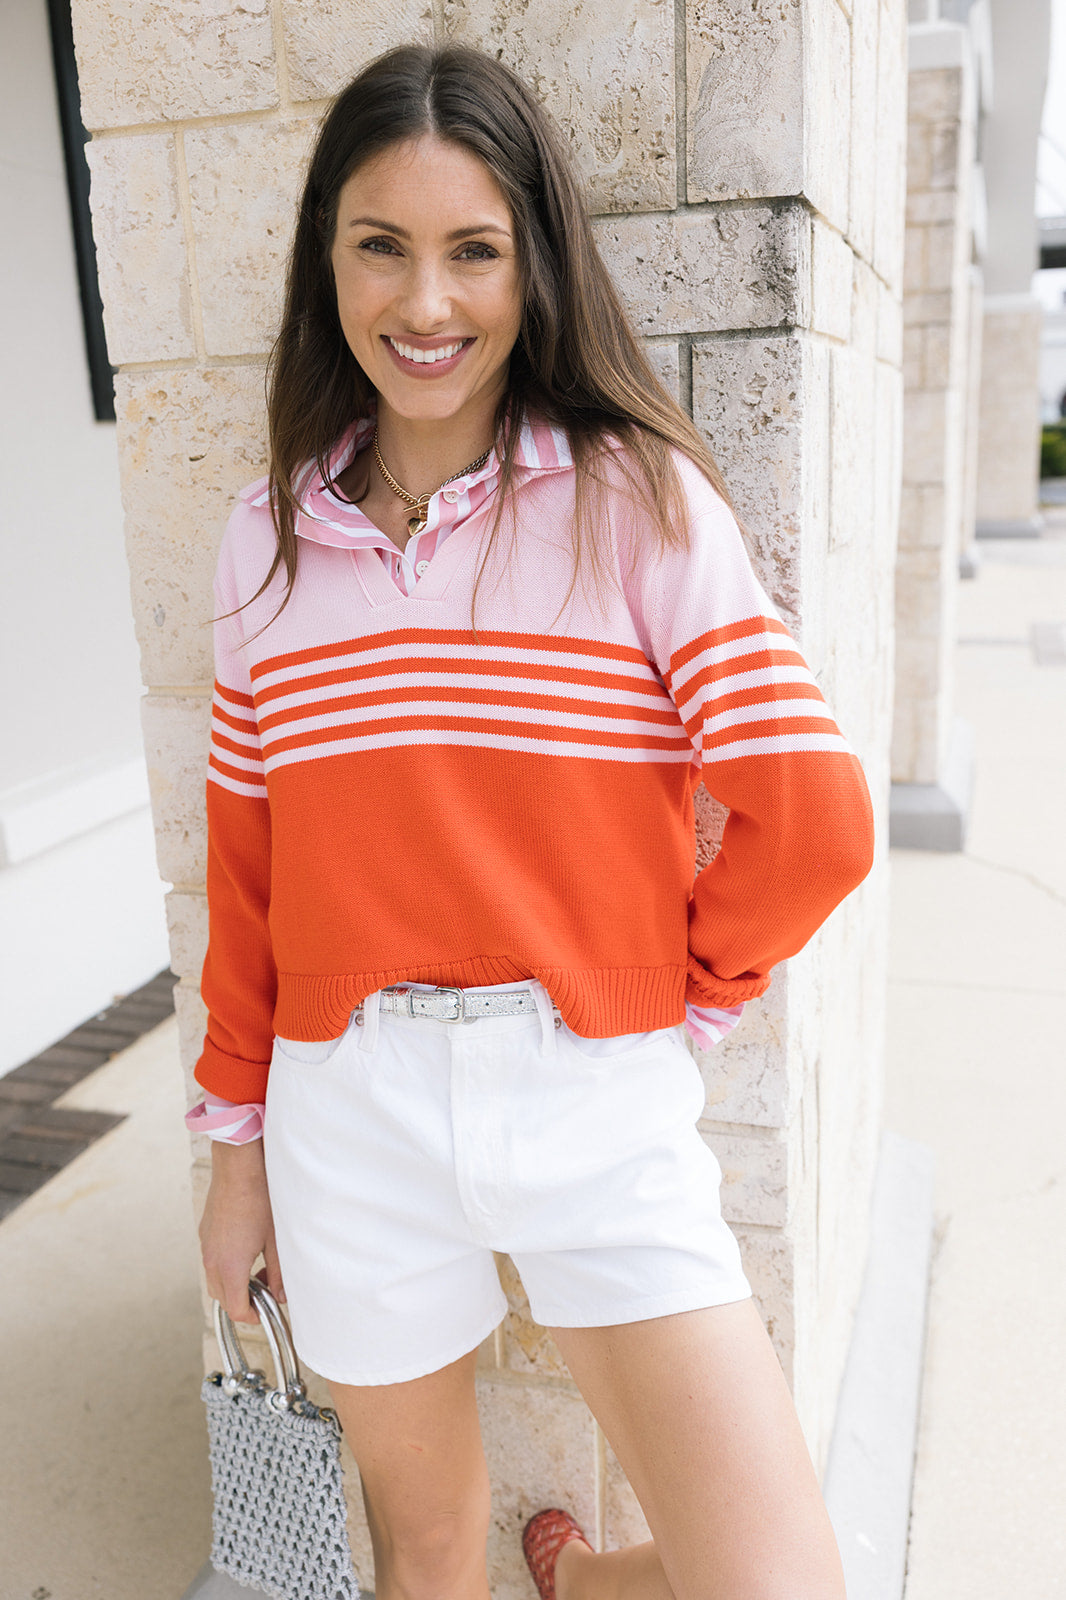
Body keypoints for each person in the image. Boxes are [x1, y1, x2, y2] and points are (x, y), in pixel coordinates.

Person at [191, 43, 874, 1600]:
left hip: (593, 1101)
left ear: (531, 265)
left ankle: (579, 1582)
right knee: (426, 1557)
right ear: (328, 258)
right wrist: (235, 1166)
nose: (425, 305)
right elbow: (252, 881)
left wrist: (671, 1007)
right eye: (381, 245)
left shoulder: (634, 498)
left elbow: (813, 818)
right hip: (342, 1112)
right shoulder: (264, 544)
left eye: (472, 251)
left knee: (772, 1585)